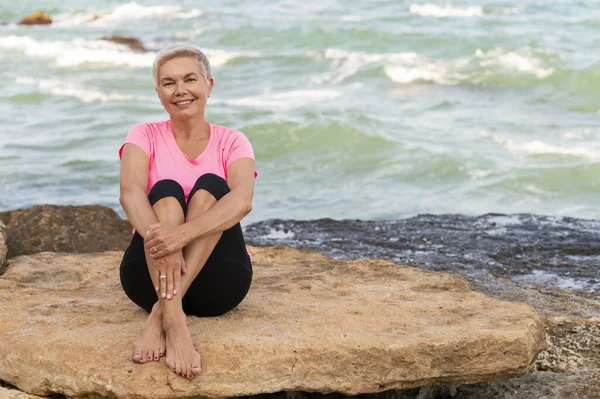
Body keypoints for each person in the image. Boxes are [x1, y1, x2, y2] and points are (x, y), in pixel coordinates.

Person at [118, 44, 256, 380]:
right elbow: (130, 193)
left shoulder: (233, 141)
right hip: (146, 277)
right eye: (168, 83)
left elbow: (242, 201)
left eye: (190, 79)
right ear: (158, 93)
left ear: (209, 85)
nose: (180, 90)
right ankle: (175, 319)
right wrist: (164, 244)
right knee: (164, 191)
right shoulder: (143, 134)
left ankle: (161, 317)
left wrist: (180, 236)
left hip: (219, 283)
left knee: (212, 185)